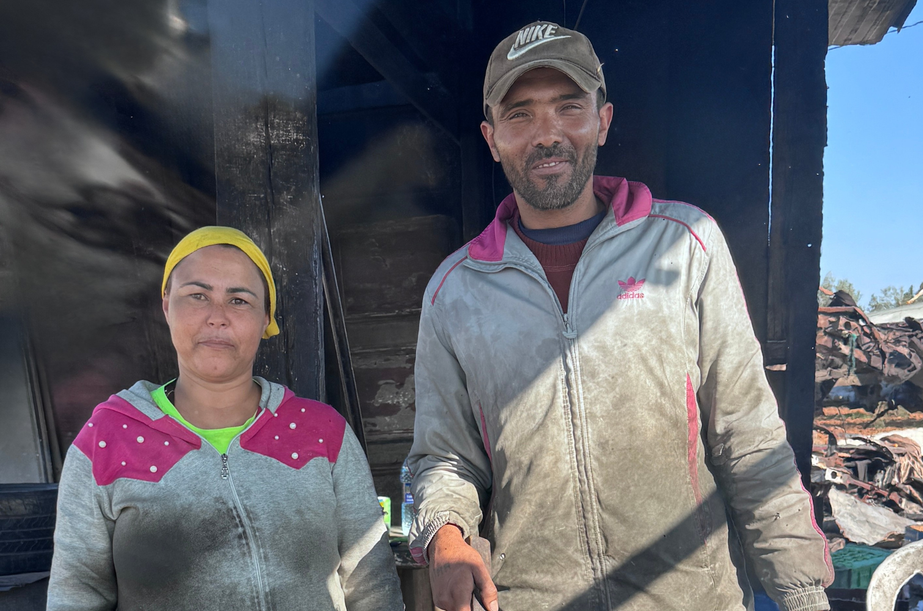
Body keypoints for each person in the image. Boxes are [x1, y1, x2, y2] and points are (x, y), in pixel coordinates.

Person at [406, 21, 833, 611]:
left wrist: (803, 594)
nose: (546, 135)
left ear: (603, 121)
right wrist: (446, 538)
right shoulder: (455, 292)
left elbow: (748, 435)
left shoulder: (685, 245)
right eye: (520, 114)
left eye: (569, 107)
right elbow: (443, 457)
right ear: (491, 136)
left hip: (691, 597)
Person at [48, 227, 404, 610]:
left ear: (265, 317)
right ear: (167, 304)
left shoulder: (322, 431)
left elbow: (371, 583)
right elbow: (76, 592)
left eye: (238, 300)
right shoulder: (107, 438)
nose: (217, 317)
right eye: (197, 296)